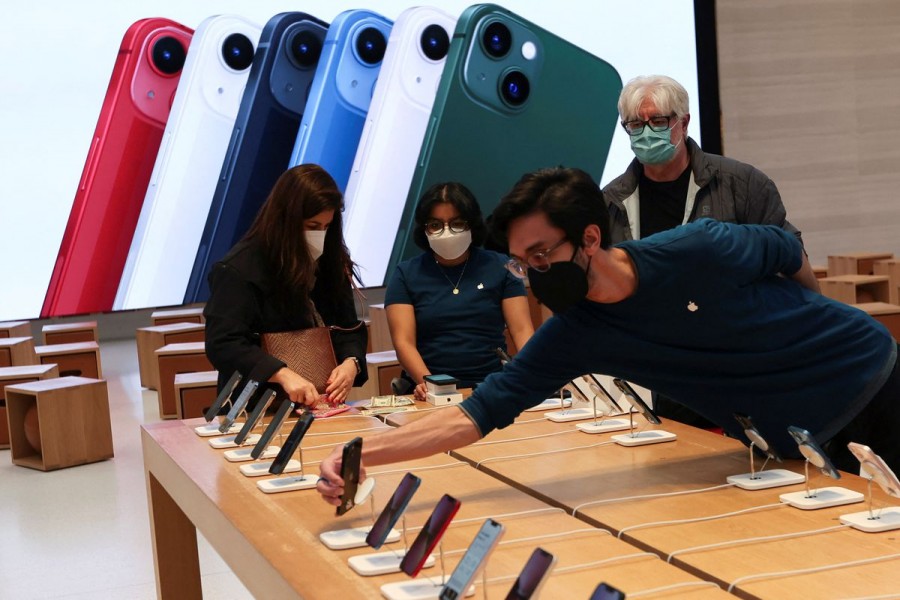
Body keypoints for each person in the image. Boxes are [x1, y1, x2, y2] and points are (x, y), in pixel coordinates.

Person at [316, 166, 898, 506]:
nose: (536, 272)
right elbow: (478, 412)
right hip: (796, 434)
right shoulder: (579, 332)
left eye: (543, 254)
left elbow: (789, 249)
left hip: (872, 378)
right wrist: (362, 452)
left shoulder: (700, 246)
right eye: (524, 262)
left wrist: (810, 330)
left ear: (590, 237)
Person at [603, 74, 820, 425]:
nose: (646, 133)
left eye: (658, 121)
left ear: (683, 122)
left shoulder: (742, 184)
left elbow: (790, 259)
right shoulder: (612, 200)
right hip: (661, 368)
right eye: (635, 124)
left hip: (740, 360)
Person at [204, 164, 367, 408]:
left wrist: (351, 363)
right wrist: (281, 373)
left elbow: (347, 326)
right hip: (256, 407)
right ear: (286, 220)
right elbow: (224, 344)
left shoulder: (330, 260)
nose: (320, 235)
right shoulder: (239, 268)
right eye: (312, 226)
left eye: (326, 226)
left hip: (322, 402)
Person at [384, 182, 534, 401]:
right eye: (435, 225)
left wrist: (533, 373)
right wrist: (429, 383)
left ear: (472, 224)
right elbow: (403, 342)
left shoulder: (501, 267)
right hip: (429, 389)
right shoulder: (405, 274)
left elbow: (522, 331)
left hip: (491, 386)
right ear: (424, 229)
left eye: (456, 223)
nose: (447, 232)